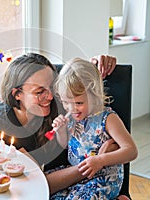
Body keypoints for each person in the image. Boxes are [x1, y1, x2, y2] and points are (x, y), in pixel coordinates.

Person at [0, 53, 122, 195]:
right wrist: (92, 164)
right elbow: (35, 186)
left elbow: (82, 80)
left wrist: (97, 63)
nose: (51, 97)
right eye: (40, 92)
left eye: (52, 87)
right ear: (17, 94)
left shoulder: (63, 103)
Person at [50, 58, 138, 199]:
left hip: (103, 179)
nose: (72, 108)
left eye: (79, 102)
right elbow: (65, 146)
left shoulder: (108, 118)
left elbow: (131, 151)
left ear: (95, 94)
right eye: (66, 102)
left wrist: (101, 160)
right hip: (78, 177)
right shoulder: (72, 117)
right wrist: (61, 131)